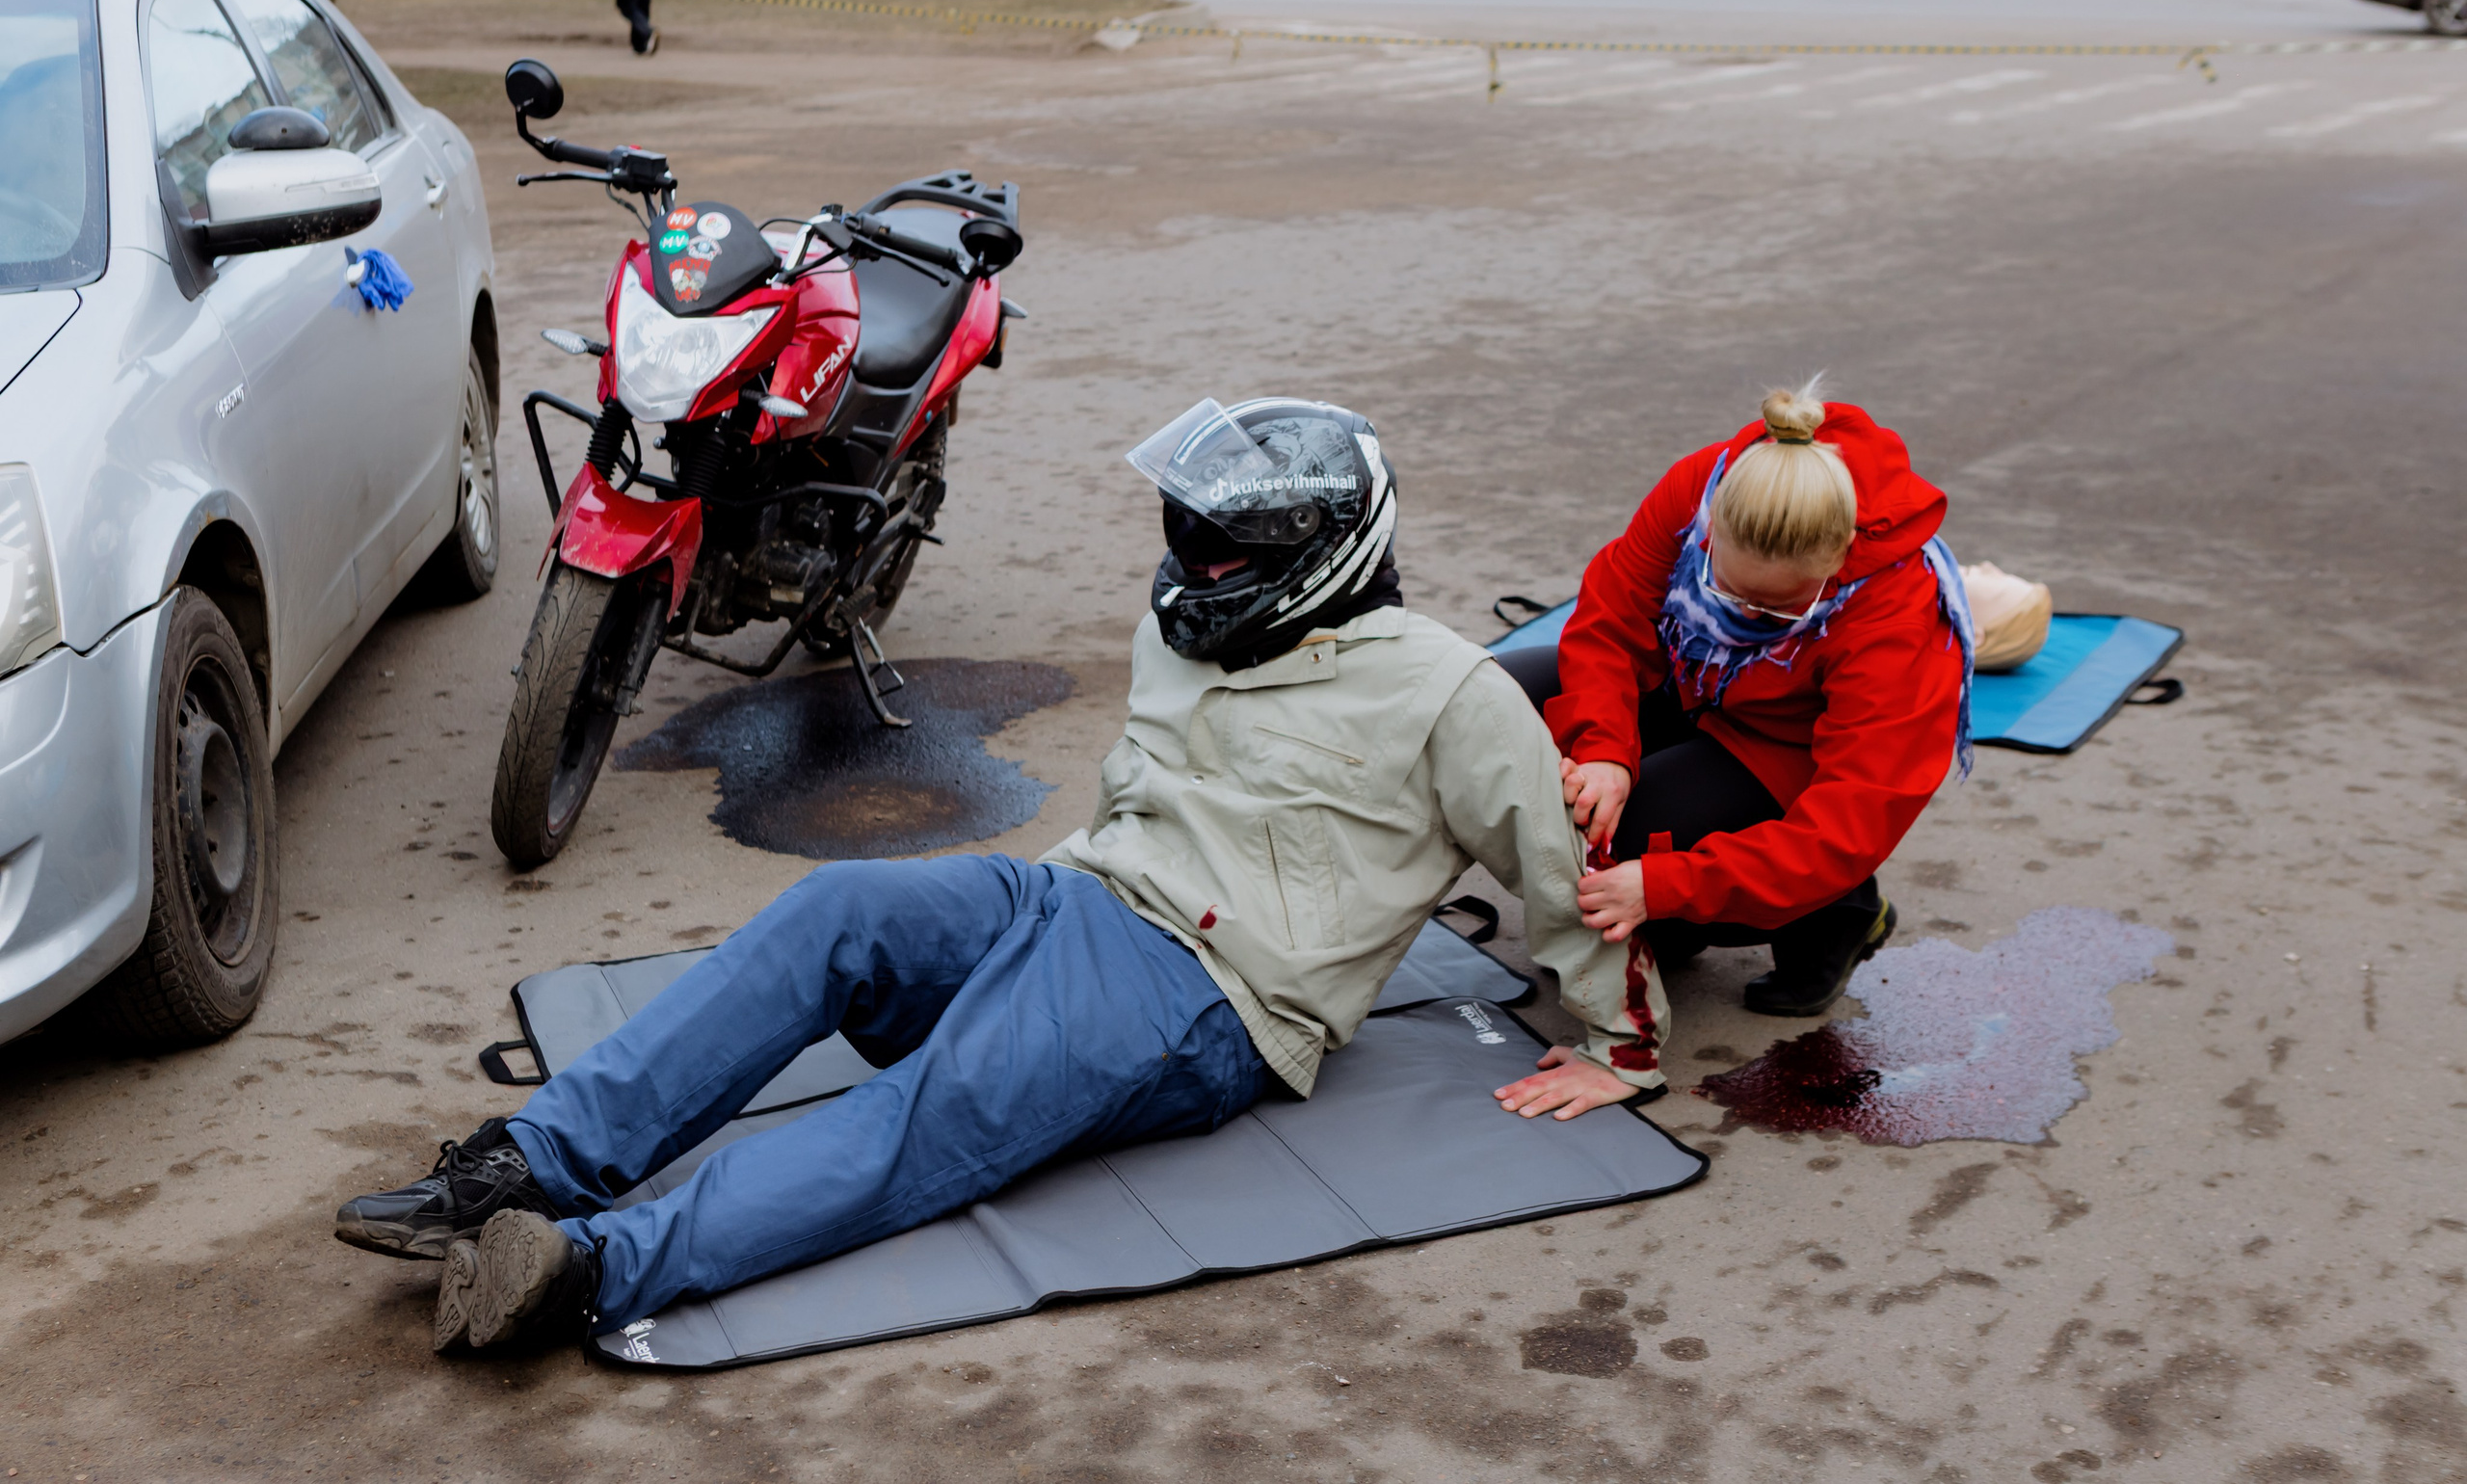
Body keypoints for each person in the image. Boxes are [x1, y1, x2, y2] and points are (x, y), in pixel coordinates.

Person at [333, 398, 1664, 1353]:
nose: (1195, 566)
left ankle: (584, 1270)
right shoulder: (1185, 624)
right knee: (837, 910)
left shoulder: (1447, 694)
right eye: (1189, 535)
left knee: (931, 1109)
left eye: (1226, 551)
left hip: (1210, 996)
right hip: (1073, 894)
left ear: (1316, 557)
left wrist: (1620, 1040)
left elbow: (1562, 864)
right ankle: (527, 1164)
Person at [1497, 383, 1973, 1020]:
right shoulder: (1702, 485)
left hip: (1781, 748)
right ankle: (1671, 917)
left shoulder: (1900, 617)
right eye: (1726, 593)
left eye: (1776, 610)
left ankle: (1838, 912)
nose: (1746, 617)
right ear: (1713, 526)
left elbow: (1849, 823)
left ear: (1838, 563)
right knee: (1495, 703)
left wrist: (1666, 887)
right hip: (1686, 682)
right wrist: (1603, 748)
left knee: (1618, 848)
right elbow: (1610, 620)